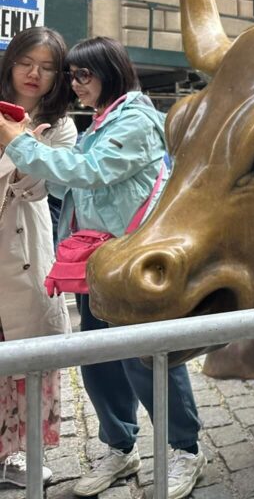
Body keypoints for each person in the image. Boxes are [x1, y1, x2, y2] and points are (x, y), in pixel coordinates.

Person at [0, 37, 205, 499]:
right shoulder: (97, 123)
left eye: (82, 74)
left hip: (133, 262)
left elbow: (89, 172)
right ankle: (119, 446)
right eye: (71, 76)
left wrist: (17, 144)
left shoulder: (135, 119)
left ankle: (185, 449)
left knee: (148, 358)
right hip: (93, 264)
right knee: (100, 363)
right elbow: (67, 188)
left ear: (110, 71)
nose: (76, 84)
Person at [0, 28, 78, 487]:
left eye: (48, 67)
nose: (35, 74)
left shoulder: (62, 124)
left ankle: (14, 455)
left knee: (27, 352)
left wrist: (25, 153)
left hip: (26, 248)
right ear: (11, 62)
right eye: (27, 61)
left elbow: (45, 186)